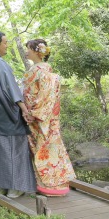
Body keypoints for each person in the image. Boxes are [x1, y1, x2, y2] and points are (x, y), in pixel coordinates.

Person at [0, 31, 38, 198]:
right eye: (5, 43)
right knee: (15, 151)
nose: (7, 46)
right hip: (7, 117)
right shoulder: (0, 63)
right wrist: (24, 108)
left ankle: (1, 187)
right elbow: (11, 88)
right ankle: (15, 188)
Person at [23, 38, 76, 196]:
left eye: (29, 48)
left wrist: (32, 113)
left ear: (37, 52)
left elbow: (43, 95)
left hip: (38, 117)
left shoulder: (41, 71)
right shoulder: (43, 70)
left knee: (42, 149)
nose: (26, 51)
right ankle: (54, 184)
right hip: (46, 117)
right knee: (50, 149)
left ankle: (49, 186)